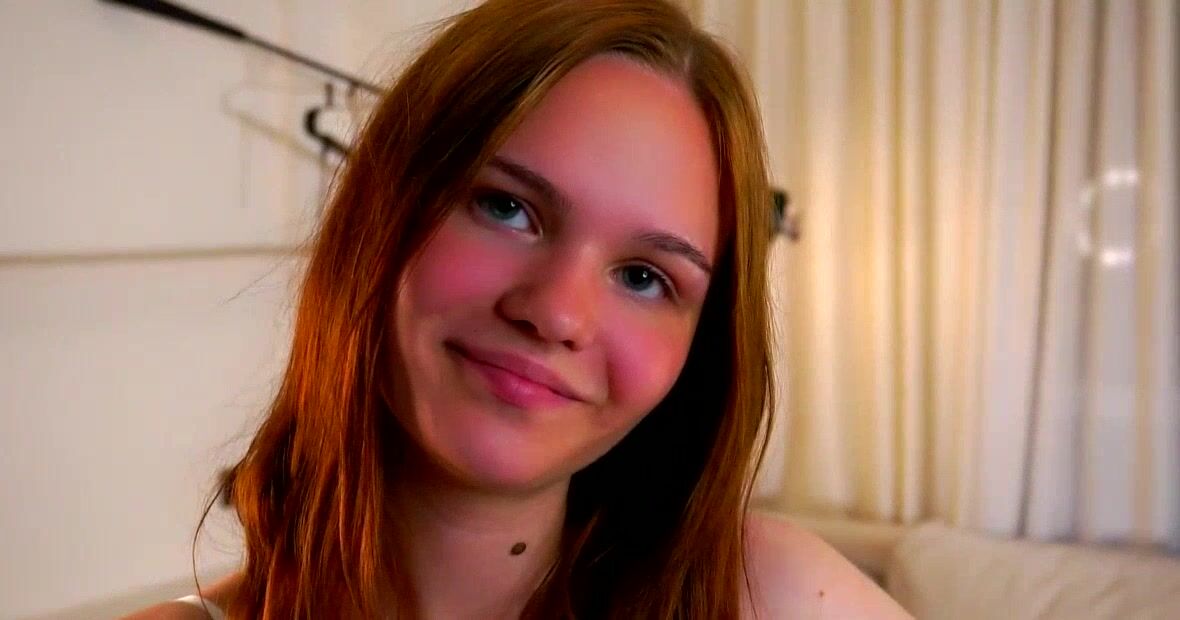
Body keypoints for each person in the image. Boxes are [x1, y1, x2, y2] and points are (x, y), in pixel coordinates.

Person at [128, 0, 910, 617]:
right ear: (380, 215)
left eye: (644, 278)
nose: (557, 314)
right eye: (506, 208)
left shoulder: (769, 595)